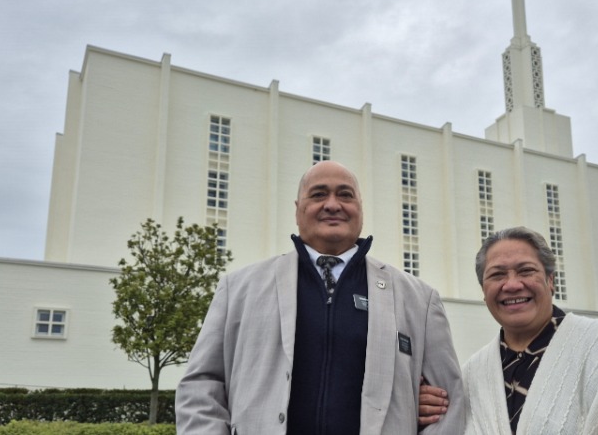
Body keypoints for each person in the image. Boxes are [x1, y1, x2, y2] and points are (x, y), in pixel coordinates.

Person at [176, 160, 466, 434]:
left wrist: (406, 398)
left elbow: (449, 403)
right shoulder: (238, 289)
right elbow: (202, 386)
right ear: (298, 209)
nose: (332, 204)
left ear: (360, 209)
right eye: (318, 195)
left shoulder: (420, 300)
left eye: (345, 195)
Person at [422, 226, 598, 434]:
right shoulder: (473, 372)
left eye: (525, 270)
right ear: (484, 291)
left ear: (550, 280)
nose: (511, 285)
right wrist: (425, 409)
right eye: (497, 275)